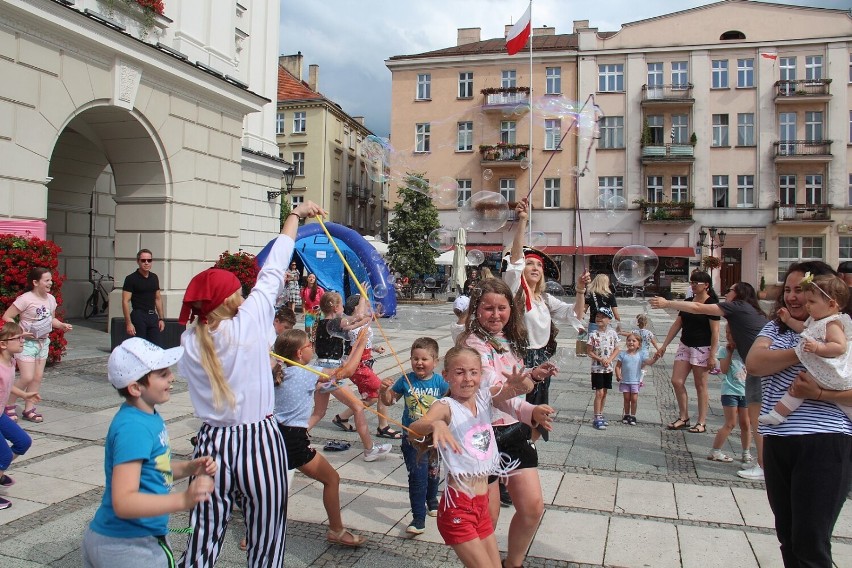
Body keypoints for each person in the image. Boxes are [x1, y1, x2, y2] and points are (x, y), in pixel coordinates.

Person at [176, 201, 324, 567]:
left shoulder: (189, 340)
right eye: (238, 292)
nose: (244, 296)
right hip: (259, 439)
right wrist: (295, 214)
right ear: (229, 299)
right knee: (267, 534)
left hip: (211, 442)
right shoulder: (252, 320)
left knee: (203, 534)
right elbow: (275, 265)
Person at [745, 260, 851, 567]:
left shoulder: (840, 330)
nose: (794, 297)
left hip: (826, 439)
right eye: (788, 290)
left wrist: (819, 393)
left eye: (802, 290)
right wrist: (805, 349)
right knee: (788, 536)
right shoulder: (777, 327)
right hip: (779, 439)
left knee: (811, 540)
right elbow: (755, 364)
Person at [408, 345, 553, 568]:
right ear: (445, 375)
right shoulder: (446, 406)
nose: (468, 379)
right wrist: (435, 423)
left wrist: (524, 392)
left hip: (481, 506)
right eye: (460, 372)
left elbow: (508, 393)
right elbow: (415, 428)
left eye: (474, 372)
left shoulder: (484, 398)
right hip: (457, 508)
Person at [82, 337, 216, 568]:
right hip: (127, 545)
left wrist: (189, 467)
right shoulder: (133, 428)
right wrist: (183, 500)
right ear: (136, 387)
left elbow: (155, 468)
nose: (172, 377)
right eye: (162, 374)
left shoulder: (147, 416)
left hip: (133, 540)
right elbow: (123, 502)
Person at [457, 278, 558, 568]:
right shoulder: (470, 345)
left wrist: (532, 374)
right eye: (488, 308)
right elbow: (492, 394)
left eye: (502, 308)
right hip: (481, 435)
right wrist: (529, 409)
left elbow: (509, 378)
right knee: (486, 519)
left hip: (513, 431)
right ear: (476, 310)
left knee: (532, 507)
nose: (496, 314)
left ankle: (513, 563)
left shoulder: (506, 340)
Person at [650, 280, 767, 476]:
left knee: (757, 422)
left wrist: (667, 303)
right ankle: (762, 462)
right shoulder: (752, 310)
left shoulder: (737, 307)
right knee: (757, 420)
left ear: (738, 295)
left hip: (761, 368)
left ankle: (764, 466)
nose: (726, 294)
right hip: (760, 366)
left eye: (729, 290)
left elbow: (698, 308)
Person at [268, 328, 369, 548]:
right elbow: (348, 371)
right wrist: (360, 343)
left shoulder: (278, 372)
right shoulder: (306, 372)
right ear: (298, 353)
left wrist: (324, 385)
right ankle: (336, 530)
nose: (312, 347)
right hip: (293, 440)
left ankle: (255, 533)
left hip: (272, 436)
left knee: (271, 487)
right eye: (308, 345)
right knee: (331, 479)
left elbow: (324, 383)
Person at [503, 197, 590, 442]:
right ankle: (515, 446)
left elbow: (574, 314)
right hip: (519, 357)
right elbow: (516, 260)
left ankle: (530, 447)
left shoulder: (544, 299)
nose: (533, 267)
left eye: (538, 265)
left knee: (539, 409)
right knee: (517, 408)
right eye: (529, 264)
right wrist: (522, 221)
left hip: (540, 358)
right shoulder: (515, 291)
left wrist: (581, 290)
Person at [760, 273, 852, 425]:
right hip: (823, 369)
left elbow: (839, 346)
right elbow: (802, 328)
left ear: (831, 304)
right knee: (798, 389)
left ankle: (777, 414)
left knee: (801, 387)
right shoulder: (817, 320)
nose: (807, 305)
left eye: (812, 301)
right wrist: (788, 320)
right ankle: (777, 414)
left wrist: (818, 347)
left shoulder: (832, 324)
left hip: (832, 370)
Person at [380, 337, 449, 535]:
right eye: (415, 358)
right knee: (417, 476)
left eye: (424, 359)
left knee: (433, 473)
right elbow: (389, 400)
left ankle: (432, 499)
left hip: (434, 439)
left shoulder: (441, 383)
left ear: (435, 361)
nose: (419, 362)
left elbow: (450, 406)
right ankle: (418, 518)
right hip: (412, 439)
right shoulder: (406, 380)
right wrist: (384, 390)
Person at [309, 292, 390, 461]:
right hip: (331, 371)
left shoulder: (324, 322)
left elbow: (356, 322)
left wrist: (370, 318)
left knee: (319, 411)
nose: (343, 308)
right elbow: (356, 318)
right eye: (341, 305)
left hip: (321, 368)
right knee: (358, 407)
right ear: (335, 306)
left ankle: (294, 439)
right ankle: (369, 449)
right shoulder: (334, 322)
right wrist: (362, 299)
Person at [3, 267, 72, 423]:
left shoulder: (51, 299)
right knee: (26, 377)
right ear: (35, 282)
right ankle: (9, 404)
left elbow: (51, 319)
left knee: (37, 377)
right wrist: (20, 331)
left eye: (51, 280)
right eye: (46, 280)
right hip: (26, 343)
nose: (50, 283)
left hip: (42, 342)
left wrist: (61, 325)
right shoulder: (25, 299)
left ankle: (29, 409)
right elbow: (7, 316)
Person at [655, 270, 720, 434]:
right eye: (691, 282)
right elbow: (677, 324)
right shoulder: (688, 302)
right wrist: (664, 345)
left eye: (695, 283)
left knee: (700, 385)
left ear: (706, 285)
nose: (692, 285)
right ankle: (683, 417)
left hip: (702, 347)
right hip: (685, 344)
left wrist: (713, 354)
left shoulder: (711, 304)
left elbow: (716, 332)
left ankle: (702, 422)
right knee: (676, 381)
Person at [334, 294, 400, 439]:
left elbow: (363, 343)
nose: (368, 306)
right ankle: (383, 427)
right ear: (357, 308)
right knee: (382, 390)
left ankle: (342, 417)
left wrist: (375, 348)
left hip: (363, 366)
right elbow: (356, 340)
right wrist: (368, 315)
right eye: (365, 304)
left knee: (372, 398)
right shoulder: (352, 326)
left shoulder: (360, 323)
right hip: (358, 367)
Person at [0, 322, 36, 511]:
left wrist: (24, 395)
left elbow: (8, 386)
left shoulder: (11, 361)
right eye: (18, 338)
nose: (22, 341)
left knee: (23, 442)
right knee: (4, 455)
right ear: (3, 344)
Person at [707, 327, 752, 464]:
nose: (727, 335)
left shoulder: (748, 349)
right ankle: (715, 451)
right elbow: (725, 370)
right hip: (730, 391)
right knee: (731, 423)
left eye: (730, 333)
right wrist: (730, 352)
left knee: (746, 424)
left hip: (746, 392)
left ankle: (746, 452)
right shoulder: (724, 350)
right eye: (726, 332)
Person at [122, 249, 165, 346]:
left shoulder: (154, 277)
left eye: (149, 260)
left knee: (156, 347)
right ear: (138, 261)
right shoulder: (131, 279)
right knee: (140, 348)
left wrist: (161, 319)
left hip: (152, 316)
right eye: (143, 260)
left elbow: (157, 298)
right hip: (139, 316)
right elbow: (125, 301)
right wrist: (128, 323)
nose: (146, 263)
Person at [587, 307, 620, 430]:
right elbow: (589, 351)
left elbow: (617, 348)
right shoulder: (593, 335)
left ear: (609, 320)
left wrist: (610, 359)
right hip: (597, 368)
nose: (599, 319)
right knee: (599, 392)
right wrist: (601, 360)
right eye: (597, 316)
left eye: (602, 317)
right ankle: (596, 417)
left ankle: (600, 414)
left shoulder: (613, 333)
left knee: (605, 392)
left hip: (608, 368)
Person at [615, 332, 652, 425]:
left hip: (635, 381)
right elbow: (617, 366)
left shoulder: (640, 355)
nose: (631, 342)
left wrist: (655, 358)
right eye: (629, 340)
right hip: (625, 381)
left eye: (634, 341)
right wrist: (618, 374)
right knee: (626, 398)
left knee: (634, 399)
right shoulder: (623, 354)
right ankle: (626, 414)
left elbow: (649, 362)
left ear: (638, 344)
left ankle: (633, 415)